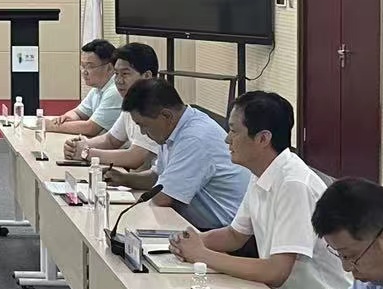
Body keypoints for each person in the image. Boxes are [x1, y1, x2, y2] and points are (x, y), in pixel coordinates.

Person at [171, 91, 350, 289]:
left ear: (263, 138)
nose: (227, 139)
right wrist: (188, 242)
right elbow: (234, 236)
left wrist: (202, 255)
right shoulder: (261, 172)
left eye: (234, 131)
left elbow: (276, 271)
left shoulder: (294, 184)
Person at [110, 78, 249, 231]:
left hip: (225, 233)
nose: (143, 132)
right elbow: (158, 179)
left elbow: (162, 198)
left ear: (166, 116)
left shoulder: (194, 138)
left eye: (143, 125)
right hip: (198, 226)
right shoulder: (172, 130)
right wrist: (124, 179)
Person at [63, 41, 161, 172]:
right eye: (116, 74)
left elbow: (136, 157)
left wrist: (86, 153)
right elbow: (111, 140)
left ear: (147, 76)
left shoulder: (154, 105)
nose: (118, 81)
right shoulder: (131, 101)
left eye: (125, 74)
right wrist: (79, 145)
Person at [52, 40, 122, 138]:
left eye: (90, 66)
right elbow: (78, 113)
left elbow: (91, 128)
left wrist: (50, 125)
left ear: (109, 68)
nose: (84, 72)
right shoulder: (97, 88)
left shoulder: (116, 90)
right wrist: (67, 118)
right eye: (82, 66)